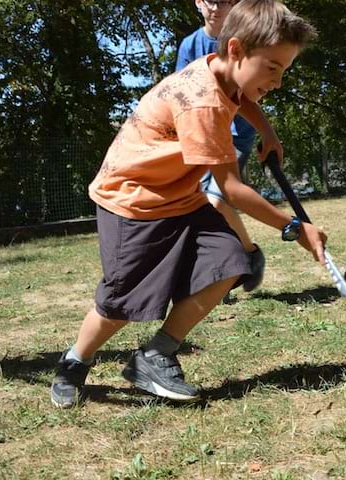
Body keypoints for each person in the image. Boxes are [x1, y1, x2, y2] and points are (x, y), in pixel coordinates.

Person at [50, 0, 324, 408]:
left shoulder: (220, 70)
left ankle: (156, 354)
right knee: (120, 304)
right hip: (134, 203)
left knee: (231, 261)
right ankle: (74, 362)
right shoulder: (202, 102)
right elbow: (230, 187)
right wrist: (293, 227)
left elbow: (239, 96)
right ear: (235, 49)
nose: (278, 82)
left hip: (179, 197)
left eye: (283, 70)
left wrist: (265, 129)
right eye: (272, 68)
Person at [176, 0, 265, 294]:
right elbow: (183, 93)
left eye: (225, 1)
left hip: (236, 135)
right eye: (210, 0)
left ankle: (246, 256)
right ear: (198, 3)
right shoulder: (190, 45)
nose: (216, 7)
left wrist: (267, 131)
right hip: (202, 136)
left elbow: (248, 93)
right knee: (200, 205)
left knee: (216, 200)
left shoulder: (241, 41)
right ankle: (224, 269)